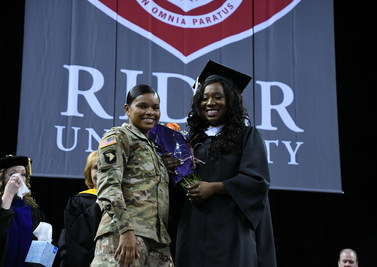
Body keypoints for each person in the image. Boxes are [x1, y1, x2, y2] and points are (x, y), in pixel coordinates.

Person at [174, 60, 277, 267]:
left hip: (231, 231)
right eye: (204, 98)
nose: (210, 102)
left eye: (218, 97)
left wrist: (213, 188)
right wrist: (171, 169)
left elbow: (256, 181)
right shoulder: (191, 140)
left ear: (231, 101)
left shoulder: (247, 136)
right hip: (193, 229)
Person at [91, 84, 174, 267]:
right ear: (127, 109)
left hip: (158, 241)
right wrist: (126, 230)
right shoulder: (119, 136)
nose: (150, 112)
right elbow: (108, 186)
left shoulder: (154, 148)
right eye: (142, 106)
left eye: (155, 107)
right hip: (123, 236)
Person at [0, 154, 49, 267]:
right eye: (13, 174)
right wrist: (8, 194)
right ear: (2, 179)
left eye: (23, 174)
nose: (19, 179)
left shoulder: (34, 211)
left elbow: (45, 250)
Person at [58, 150, 102, 267]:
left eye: (106, 167)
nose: (100, 172)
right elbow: (75, 238)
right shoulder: (78, 202)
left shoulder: (127, 200)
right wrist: (98, 206)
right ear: (89, 173)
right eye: (96, 167)